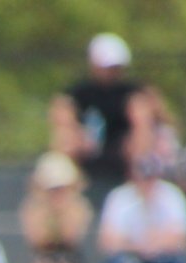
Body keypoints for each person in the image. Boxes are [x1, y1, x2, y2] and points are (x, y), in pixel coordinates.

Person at [53, 32, 153, 207]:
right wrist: (78, 134)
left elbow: (142, 122)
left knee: (139, 138)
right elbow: (62, 113)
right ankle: (70, 188)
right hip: (88, 147)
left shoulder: (130, 92)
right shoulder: (80, 92)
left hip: (120, 148)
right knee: (65, 140)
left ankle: (138, 182)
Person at [98, 155, 186, 263]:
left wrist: (155, 245)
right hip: (131, 255)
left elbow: (181, 240)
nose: (147, 184)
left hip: (162, 256)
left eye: (151, 178)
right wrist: (138, 246)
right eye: (144, 178)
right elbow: (108, 241)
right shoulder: (119, 197)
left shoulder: (172, 196)